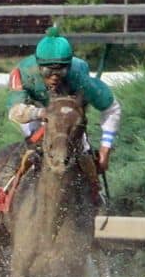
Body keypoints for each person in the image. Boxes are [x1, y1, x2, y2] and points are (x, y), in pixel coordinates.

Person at [7, 25, 121, 178]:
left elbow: (112, 108)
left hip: (70, 114)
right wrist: (42, 113)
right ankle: (13, 183)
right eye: (48, 72)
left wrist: (105, 148)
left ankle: (95, 192)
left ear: (68, 67)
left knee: (83, 152)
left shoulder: (80, 76)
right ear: (39, 67)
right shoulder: (23, 73)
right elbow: (15, 111)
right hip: (36, 110)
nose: (54, 76)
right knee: (35, 149)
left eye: (61, 71)